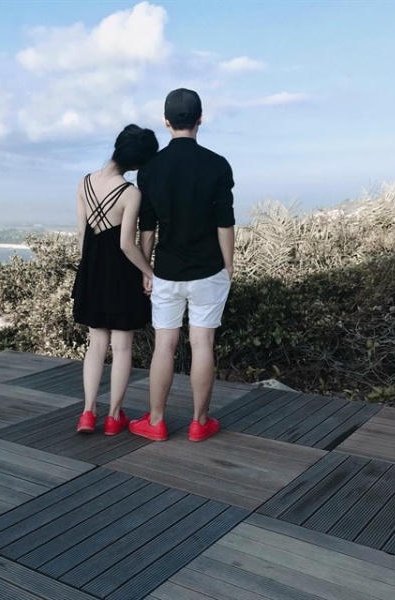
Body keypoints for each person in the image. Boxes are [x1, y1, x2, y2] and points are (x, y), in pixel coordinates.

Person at [129, 88, 235, 442]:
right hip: (209, 269)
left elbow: (147, 228)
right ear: (200, 119)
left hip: (167, 271)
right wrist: (228, 266)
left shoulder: (151, 169)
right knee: (202, 343)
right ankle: (199, 422)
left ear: (166, 122)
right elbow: (225, 223)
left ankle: (156, 421)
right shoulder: (217, 165)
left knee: (164, 345)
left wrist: (146, 270)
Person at [72, 124, 158, 435]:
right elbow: (126, 244)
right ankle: (113, 416)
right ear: (137, 162)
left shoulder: (84, 182)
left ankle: (87, 413)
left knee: (96, 345)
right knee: (122, 347)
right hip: (121, 275)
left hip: (92, 271)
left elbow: (82, 235)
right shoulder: (131, 193)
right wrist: (149, 272)